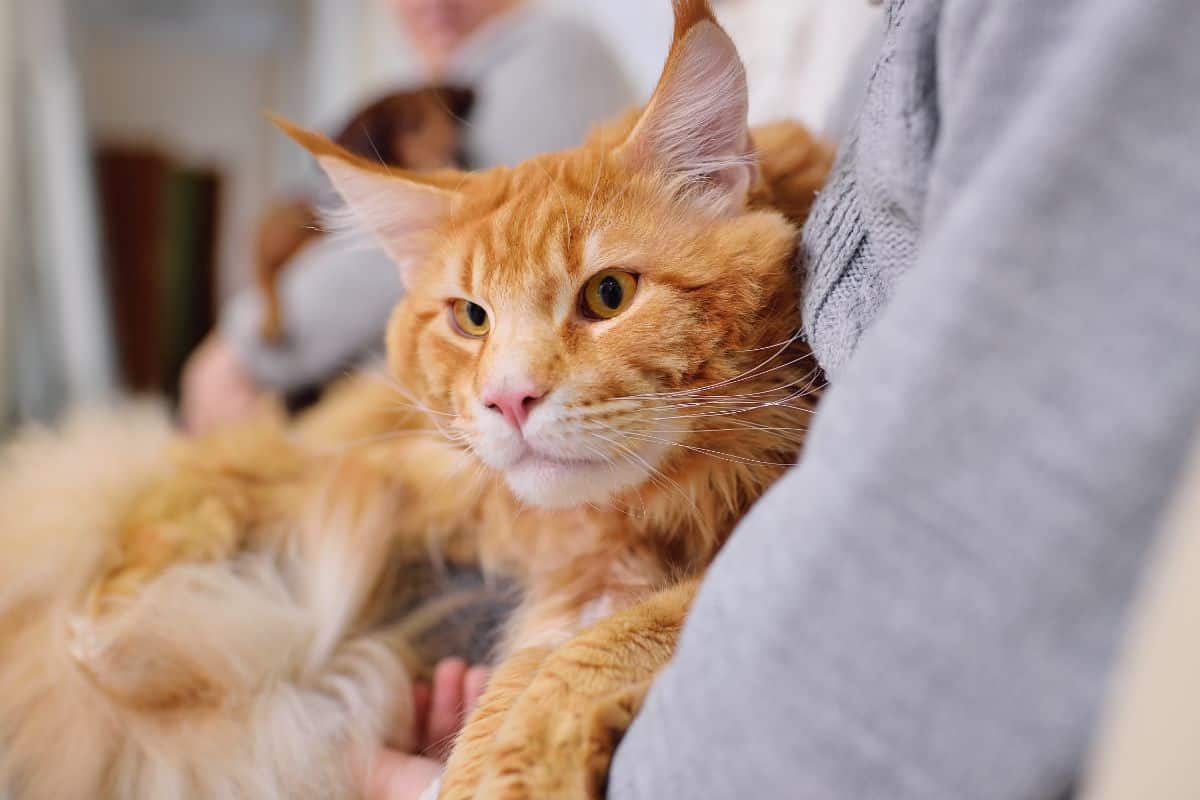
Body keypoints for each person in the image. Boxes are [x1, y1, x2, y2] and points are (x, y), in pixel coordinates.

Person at [371, 0, 1200, 797]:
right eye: (474, 318)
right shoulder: (879, 57)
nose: (511, 387)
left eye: (608, 293)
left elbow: (934, 582)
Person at [181, 0, 636, 434]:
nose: (432, 3)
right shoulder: (427, 93)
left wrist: (242, 346)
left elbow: (416, 243)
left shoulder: (555, 49)